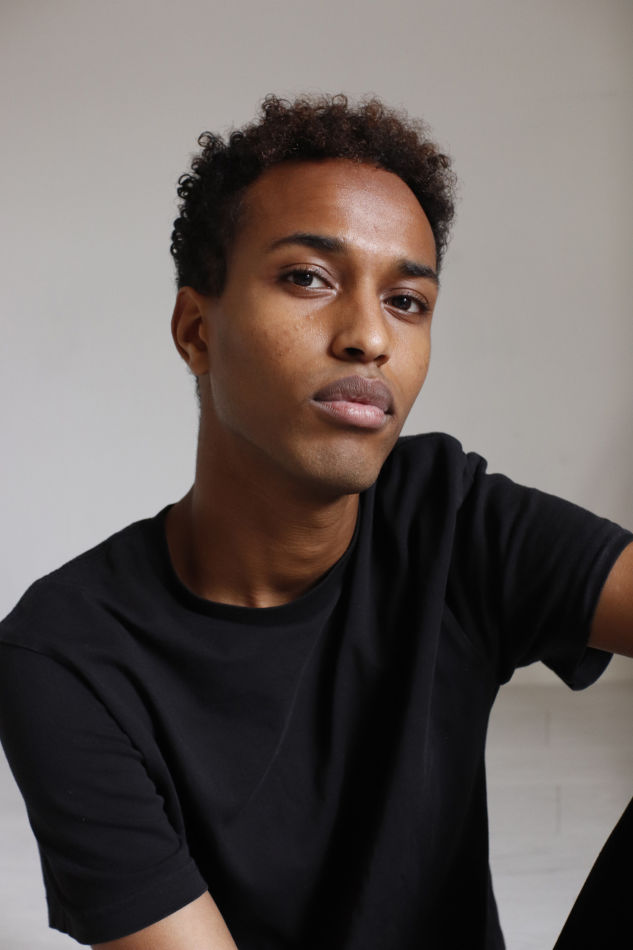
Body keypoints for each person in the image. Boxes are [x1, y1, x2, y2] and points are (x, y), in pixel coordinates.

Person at [0, 93, 631, 950]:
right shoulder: (65, 656)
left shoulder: (444, 513)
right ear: (196, 331)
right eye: (307, 278)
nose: (369, 337)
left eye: (406, 300)